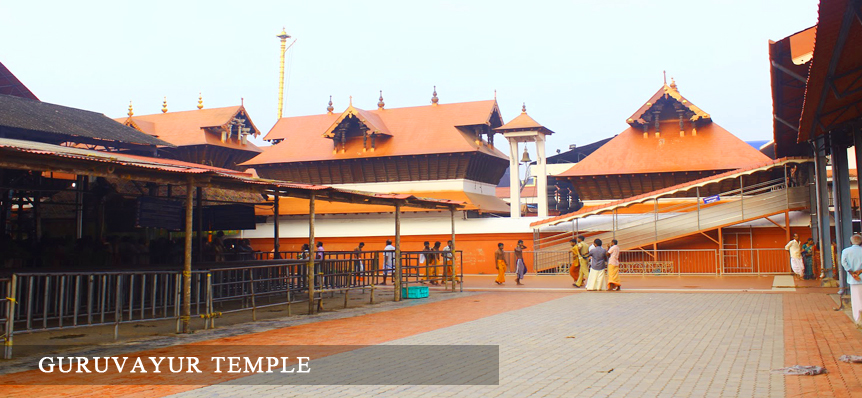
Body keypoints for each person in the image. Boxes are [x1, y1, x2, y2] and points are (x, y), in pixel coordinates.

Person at [841, 234, 862, 325]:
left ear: (850, 242)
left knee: (856, 299)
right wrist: (859, 272)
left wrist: (852, 273)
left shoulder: (846, 251)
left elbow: (844, 263)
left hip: (853, 280)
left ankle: (858, 319)